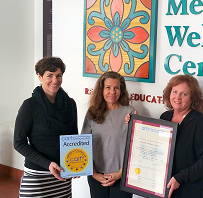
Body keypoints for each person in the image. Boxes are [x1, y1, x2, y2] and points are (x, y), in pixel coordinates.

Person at [14, 56, 78, 198]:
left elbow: (73, 138)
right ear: (40, 76)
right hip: (37, 176)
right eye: (49, 75)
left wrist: (76, 167)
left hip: (62, 176)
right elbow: (19, 143)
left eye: (58, 75)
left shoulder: (70, 104)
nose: (55, 81)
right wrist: (48, 164)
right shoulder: (29, 106)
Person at [81, 71, 136, 198]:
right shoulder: (92, 113)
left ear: (121, 90)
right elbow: (84, 144)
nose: (112, 92)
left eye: (116, 88)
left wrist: (121, 173)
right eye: (108, 87)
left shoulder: (130, 113)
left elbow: (135, 149)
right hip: (96, 176)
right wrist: (94, 173)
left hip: (122, 177)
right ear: (101, 90)